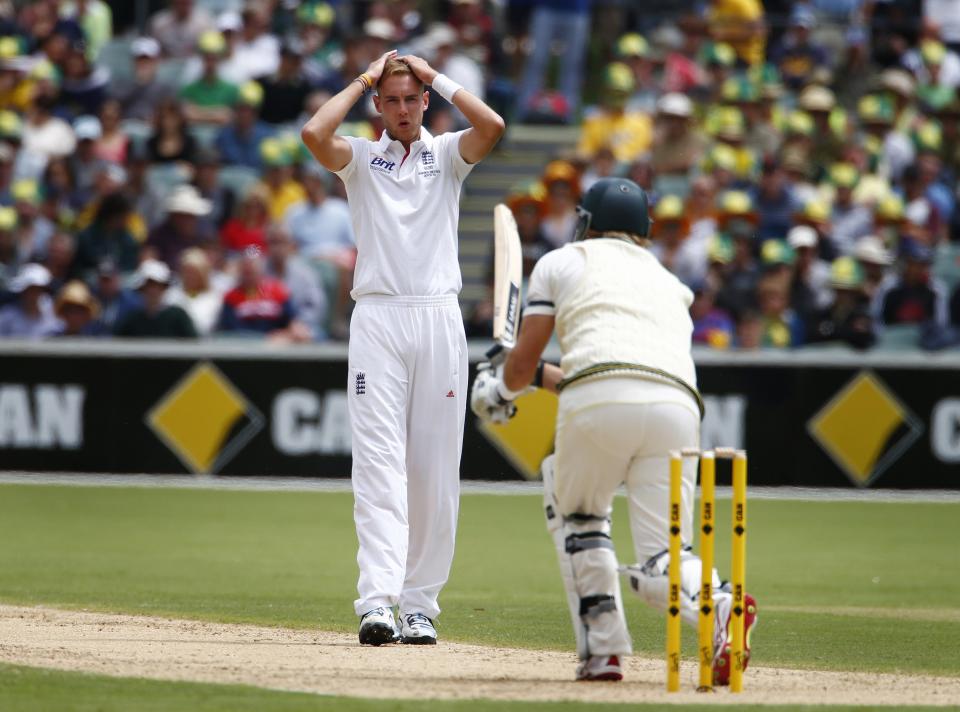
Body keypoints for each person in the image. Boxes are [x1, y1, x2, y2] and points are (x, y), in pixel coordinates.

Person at [469, 177, 758, 683]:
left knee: (579, 516)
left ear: (586, 222)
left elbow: (527, 367)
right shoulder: (672, 282)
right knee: (668, 553)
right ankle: (720, 603)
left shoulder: (561, 262)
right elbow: (617, 369)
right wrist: (530, 378)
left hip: (599, 400)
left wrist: (497, 394)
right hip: (679, 408)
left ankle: (603, 651)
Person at [301, 50, 504, 646]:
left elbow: (492, 127)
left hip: (439, 316)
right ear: (378, 106)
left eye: (410, 99)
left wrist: (435, 76)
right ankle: (378, 603)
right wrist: (367, 75)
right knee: (379, 465)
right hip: (380, 318)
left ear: (424, 102)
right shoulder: (361, 158)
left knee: (435, 469)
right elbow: (315, 132)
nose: (401, 109)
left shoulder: (446, 154)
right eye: (389, 100)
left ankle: (420, 604)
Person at [114, 259, 197, 338]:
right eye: (148, 286)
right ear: (142, 289)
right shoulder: (132, 318)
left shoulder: (178, 316)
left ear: (164, 287)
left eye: (157, 286)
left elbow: (195, 344)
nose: (152, 291)